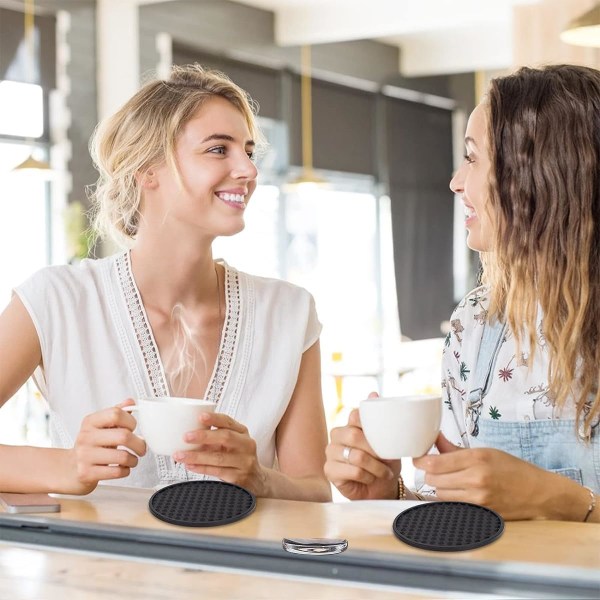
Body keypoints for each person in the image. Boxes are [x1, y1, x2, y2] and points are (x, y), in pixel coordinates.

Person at [0, 64, 331, 501]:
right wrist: (67, 465)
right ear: (147, 170)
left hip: (246, 570)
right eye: (219, 150)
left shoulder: (289, 313)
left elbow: (315, 491)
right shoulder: (55, 301)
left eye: (249, 151)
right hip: (98, 570)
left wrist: (260, 478)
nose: (248, 170)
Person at [325, 64, 600, 522]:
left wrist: (562, 501)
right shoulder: (477, 321)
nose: (455, 181)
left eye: (472, 158)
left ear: (536, 174)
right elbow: (459, 519)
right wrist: (389, 493)